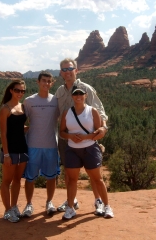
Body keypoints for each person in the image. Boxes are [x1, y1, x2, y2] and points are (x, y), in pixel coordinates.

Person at [55, 58, 108, 216]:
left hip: (88, 138)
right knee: (69, 172)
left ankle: (98, 200)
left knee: (92, 172)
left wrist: (103, 127)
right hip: (67, 137)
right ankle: (72, 201)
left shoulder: (86, 89)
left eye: (70, 68)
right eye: (64, 70)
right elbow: (56, 114)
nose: (67, 72)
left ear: (76, 70)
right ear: (60, 73)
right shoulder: (59, 91)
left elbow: (99, 110)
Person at [59, 86, 114, 220]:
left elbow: (99, 132)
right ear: (72, 96)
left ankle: (107, 206)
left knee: (97, 179)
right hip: (72, 149)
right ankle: (70, 208)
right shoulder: (67, 112)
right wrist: (71, 137)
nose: (78, 96)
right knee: (72, 180)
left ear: (86, 95)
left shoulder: (92, 111)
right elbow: (61, 132)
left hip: (90, 149)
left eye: (81, 94)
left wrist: (84, 137)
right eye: (75, 94)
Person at [21, 71, 60, 217]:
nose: (46, 84)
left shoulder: (56, 101)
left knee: (51, 177)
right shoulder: (29, 101)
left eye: (49, 81)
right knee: (30, 177)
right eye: (44, 81)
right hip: (32, 145)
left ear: (52, 83)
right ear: (37, 82)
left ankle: (49, 202)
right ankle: (29, 204)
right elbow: (21, 121)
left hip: (51, 144)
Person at [0, 80, 29, 223]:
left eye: (22, 91)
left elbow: (18, 129)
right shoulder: (5, 108)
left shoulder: (22, 106)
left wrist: (30, 128)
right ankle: (7, 210)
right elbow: (3, 133)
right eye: (17, 90)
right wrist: (6, 154)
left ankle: (14, 206)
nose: (20, 93)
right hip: (9, 151)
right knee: (7, 181)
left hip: (22, 149)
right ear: (11, 90)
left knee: (17, 180)